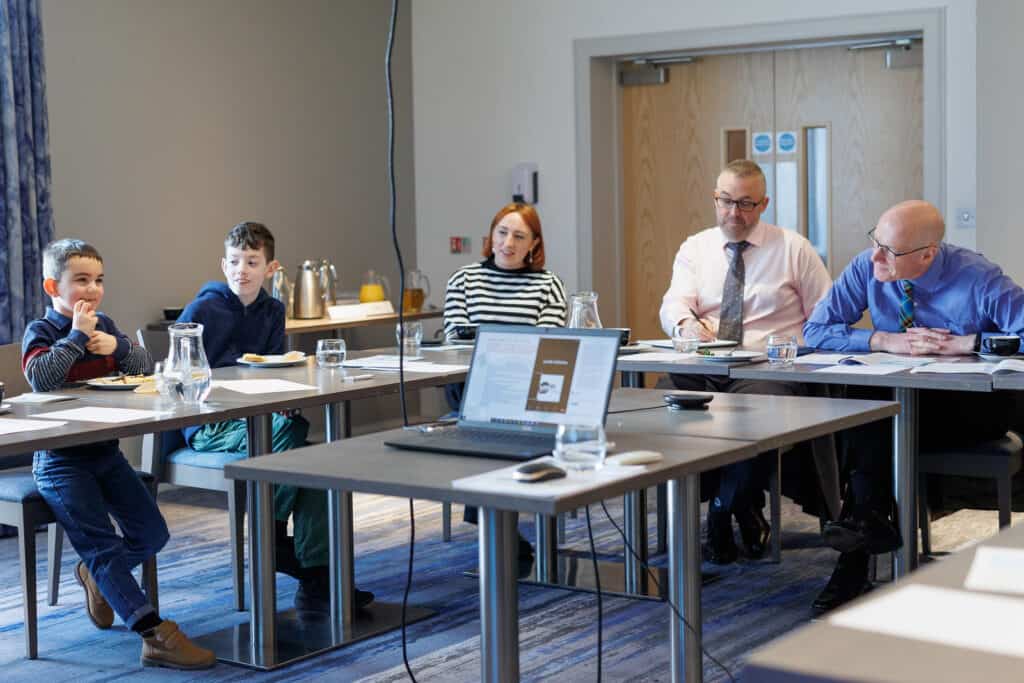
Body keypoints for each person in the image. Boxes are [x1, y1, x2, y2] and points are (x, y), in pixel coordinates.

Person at [804, 199, 1024, 611]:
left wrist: (970, 343)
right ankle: (865, 530)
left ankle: (859, 543)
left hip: (970, 406)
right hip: (900, 401)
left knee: (874, 414)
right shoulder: (867, 267)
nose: (876, 256)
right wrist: (882, 339)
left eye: (890, 251)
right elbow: (815, 330)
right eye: (876, 241)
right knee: (866, 400)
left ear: (928, 254)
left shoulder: (978, 278)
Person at [23, 239, 215, 670]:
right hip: (60, 461)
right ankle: (154, 633)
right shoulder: (42, 332)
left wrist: (118, 349)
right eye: (81, 281)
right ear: (53, 285)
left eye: (99, 280)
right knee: (103, 548)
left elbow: (147, 366)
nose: (92, 290)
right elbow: (41, 378)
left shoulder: (105, 324)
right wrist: (75, 337)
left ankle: (97, 577)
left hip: (106, 454)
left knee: (152, 534)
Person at [177, 221, 373, 612]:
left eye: (252, 262)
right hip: (210, 424)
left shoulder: (272, 311)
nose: (241, 270)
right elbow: (181, 374)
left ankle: (316, 577)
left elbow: (272, 367)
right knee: (286, 432)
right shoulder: (202, 309)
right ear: (223, 263)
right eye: (234, 261)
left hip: (261, 417)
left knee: (317, 465)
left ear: (270, 268)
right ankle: (275, 537)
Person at [660, 159, 833, 564]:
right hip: (706, 364)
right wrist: (685, 324)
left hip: (768, 367)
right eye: (725, 201)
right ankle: (736, 505)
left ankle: (721, 512)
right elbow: (675, 302)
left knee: (751, 416)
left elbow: (826, 316)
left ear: (764, 204)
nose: (734, 213)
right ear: (714, 198)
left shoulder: (793, 248)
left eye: (746, 204)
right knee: (663, 404)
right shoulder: (696, 247)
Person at [443, 202, 568, 550]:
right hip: (473, 383)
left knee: (495, 419)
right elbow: (455, 339)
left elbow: (549, 345)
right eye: (502, 232)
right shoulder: (465, 279)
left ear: (534, 245)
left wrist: (495, 344)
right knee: (485, 409)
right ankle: (494, 520)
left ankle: (488, 518)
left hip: (528, 386)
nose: (508, 243)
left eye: (519, 236)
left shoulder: (548, 285)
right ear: (491, 235)